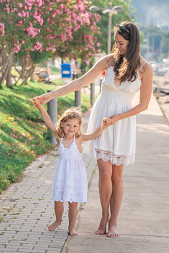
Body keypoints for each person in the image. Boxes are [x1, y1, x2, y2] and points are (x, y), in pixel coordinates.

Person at [33, 21, 153, 238]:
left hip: (122, 122)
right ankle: (103, 216)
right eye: (116, 42)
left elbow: (144, 104)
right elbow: (80, 82)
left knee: (117, 176)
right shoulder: (108, 61)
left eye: (122, 43)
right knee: (104, 173)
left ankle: (113, 222)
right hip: (102, 117)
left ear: (132, 43)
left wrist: (119, 117)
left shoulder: (145, 68)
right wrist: (51, 95)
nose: (118, 47)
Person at [34, 101, 111, 236]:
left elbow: (94, 135)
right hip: (62, 175)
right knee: (58, 200)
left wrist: (102, 127)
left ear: (79, 126)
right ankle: (58, 220)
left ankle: (71, 227)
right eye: (68, 125)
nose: (71, 128)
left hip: (75, 175)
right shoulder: (60, 137)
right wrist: (40, 106)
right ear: (62, 124)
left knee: (73, 203)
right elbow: (47, 120)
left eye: (75, 126)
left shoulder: (79, 139)